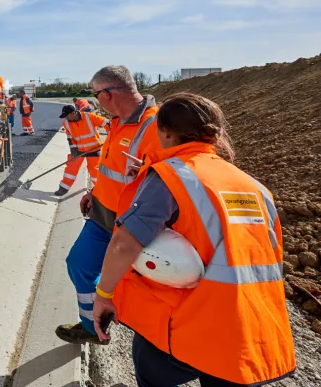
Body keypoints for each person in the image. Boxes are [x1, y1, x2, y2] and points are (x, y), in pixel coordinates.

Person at [92, 93, 295, 386]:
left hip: (192, 321)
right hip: (250, 327)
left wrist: (104, 295)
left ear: (165, 132)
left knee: (152, 374)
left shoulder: (169, 178)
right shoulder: (255, 187)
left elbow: (124, 244)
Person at [55, 65, 160, 345]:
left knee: (136, 287)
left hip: (131, 225)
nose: (95, 102)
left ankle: (131, 326)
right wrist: (94, 192)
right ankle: (92, 327)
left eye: (95, 95)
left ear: (108, 94)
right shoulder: (116, 121)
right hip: (102, 215)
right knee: (79, 264)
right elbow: (110, 168)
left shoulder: (156, 127)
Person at [55, 105, 110, 197]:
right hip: (79, 150)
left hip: (94, 148)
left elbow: (107, 123)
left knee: (94, 170)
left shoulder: (89, 117)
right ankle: (64, 187)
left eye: (67, 115)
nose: (66, 118)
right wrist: (73, 150)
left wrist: (110, 137)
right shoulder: (66, 122)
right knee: (71, 167)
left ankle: (100, 189)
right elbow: (70, 138)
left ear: (73, 113)